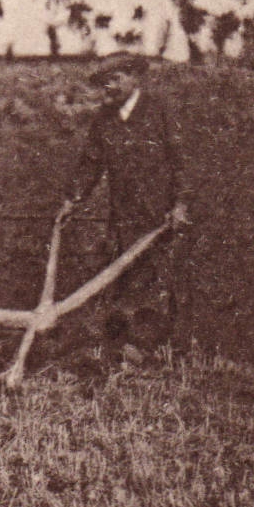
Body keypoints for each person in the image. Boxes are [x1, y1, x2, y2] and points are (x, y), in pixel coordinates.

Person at [59, 51, 191, 358]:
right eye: (105, 83)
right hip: (123, 215)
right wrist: (72, 200)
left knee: (163, 279)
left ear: (134, 78)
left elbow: (182, 161)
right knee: (126, 278)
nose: (109, 88)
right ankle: (132, 347)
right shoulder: (104, 120)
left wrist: (182, 202)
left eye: (115, 80)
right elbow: (90, 164)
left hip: (164, 216)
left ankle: (164, 349)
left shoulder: (160, 111)